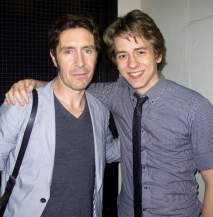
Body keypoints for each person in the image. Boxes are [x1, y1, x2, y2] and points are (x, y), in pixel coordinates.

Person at [5, 9, 213, 217]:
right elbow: (73, 85)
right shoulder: (115, 93)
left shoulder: (194, 107)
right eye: (123, 55)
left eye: (140, 52)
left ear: (158, 54)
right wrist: (35, 86)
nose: (132, 64)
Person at [0, 14, 120, 217]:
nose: (80, 62)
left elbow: (105, 150)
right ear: (54, 57)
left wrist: (147, 135)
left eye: (87, 50)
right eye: (68, 51)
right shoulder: (22, 104)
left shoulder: (99, 109)